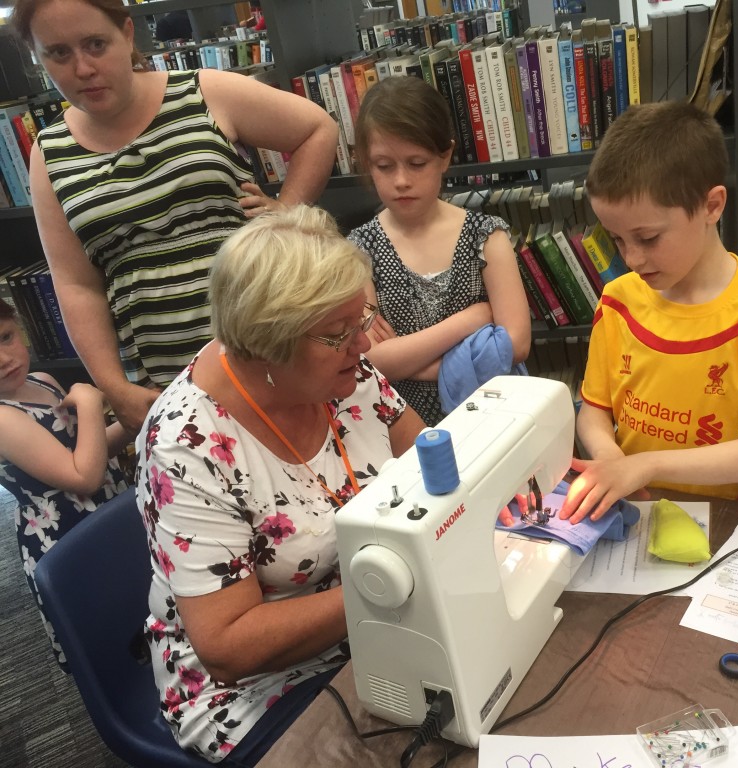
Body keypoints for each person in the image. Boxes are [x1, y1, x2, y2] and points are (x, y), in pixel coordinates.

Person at [136, 205, 425, 764]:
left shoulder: (347, 374)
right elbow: (228, 645)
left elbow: (432, 464)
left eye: (361, 320)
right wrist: (402, 584)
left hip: (379, 620)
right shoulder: (188, 445)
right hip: (255, 688)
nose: (362, 347)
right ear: (265, 345)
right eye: (336, 336)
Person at [13, 0, 339, 435]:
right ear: (39, 58)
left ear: (127, 34)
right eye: (58, 53)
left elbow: (318, 129)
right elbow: (76, 285)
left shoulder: (204, 92)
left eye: (96, 44)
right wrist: (113, 386)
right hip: (170, 384)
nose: (83, 68)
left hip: (278, 347)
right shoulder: (49, 154)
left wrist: (288, 211)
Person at [559, 101, 738, 523]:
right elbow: (594, 409)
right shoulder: (618, 301)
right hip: (634, 507)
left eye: (648, 237)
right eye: (617, 240)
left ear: (712, 206)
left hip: (723, 519)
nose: (632, 258)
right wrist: (611, 460)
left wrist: (645, 465)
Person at [348, 76, 531, 426]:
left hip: (492, 418)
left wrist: (405, 359)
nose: (401, 180)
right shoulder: (359, 251)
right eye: (384, 166)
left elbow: (516, 345)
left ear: (444, 156)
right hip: (405, 427)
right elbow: (372, 361)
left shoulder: (486, 237)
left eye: (417, 163)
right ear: (367, 163)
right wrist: (472, 319)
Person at [0, 299, 130, 669]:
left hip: (107, 509)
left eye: (6, 337)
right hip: (66, 533)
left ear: (20, 326)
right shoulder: (3, 418)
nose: (4, 358)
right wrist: (89, 402)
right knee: (109, 628)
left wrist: (136, 422)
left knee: (136, 595)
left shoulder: (41, 381)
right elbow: (83, 478)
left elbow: (90, 452)